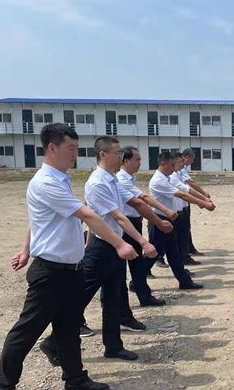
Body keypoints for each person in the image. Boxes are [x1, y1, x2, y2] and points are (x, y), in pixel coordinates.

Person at [0, 123, 138, 390]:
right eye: (70, 148)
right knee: (28, 330)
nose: (75, 154)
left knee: (69, 328)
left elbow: (37, 220)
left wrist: (25, 249)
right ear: (52, 148)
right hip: (50, 272)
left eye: (76, 148)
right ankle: (4, 383)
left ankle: (75, 378)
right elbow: (89, 216)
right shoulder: (45, 183)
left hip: (71, 269)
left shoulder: (60, 180)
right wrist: (120, 244)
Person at [41, 136, 169, 363]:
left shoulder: (112, 180)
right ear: (103, 154)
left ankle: (113, 346)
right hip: (101, 248)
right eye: (117, 153)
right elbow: (118, 217)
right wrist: (142, 241)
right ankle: (52, 342)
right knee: (80, 297)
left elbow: (134, 203)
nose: (121, 157)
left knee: (113, 297)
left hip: (114, 247)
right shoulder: (98, 183)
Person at [117, 146, 177, 308]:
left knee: (136, 262)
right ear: (126, 161)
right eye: (137, 160)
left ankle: (142, 294)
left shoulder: (128, 178)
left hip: (133, 222)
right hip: (126, 223)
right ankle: (137, 297)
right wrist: (163, 213)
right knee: (128, 264)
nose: (139, 163)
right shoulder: (121, 179)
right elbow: (141, 198)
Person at [147, 152, 215, 290]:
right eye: (172, 165)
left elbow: (183, 193)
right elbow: (182, 194)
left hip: (169, 220)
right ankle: (137, 280)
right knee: (153, 253)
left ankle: (184, 281)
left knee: (174, 253)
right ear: (163, 164)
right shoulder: (159, 180)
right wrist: (203, 202)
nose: (174, 168)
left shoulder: (166, 178)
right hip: (160, 220)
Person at [170, 154, 213, 266]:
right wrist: (203, 200)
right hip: (171, 212)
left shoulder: (178, 173)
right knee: (166, 240)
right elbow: (185, 191)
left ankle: (184, 259)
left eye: (182, 161)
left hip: (181, 208)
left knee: (182, 235)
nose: (183, 164)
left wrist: (201, 201)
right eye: (180, 161)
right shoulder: (172, 177)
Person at [180, 148, 210, 256]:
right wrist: (203, 195)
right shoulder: (179, 170)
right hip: (179, 203)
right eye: (192, 159)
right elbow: (190, 183)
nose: (193, 162)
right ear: (187, 157)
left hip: (184, 202)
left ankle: (189, 248)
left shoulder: (183, 168)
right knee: (180, 230)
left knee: (186, 227)